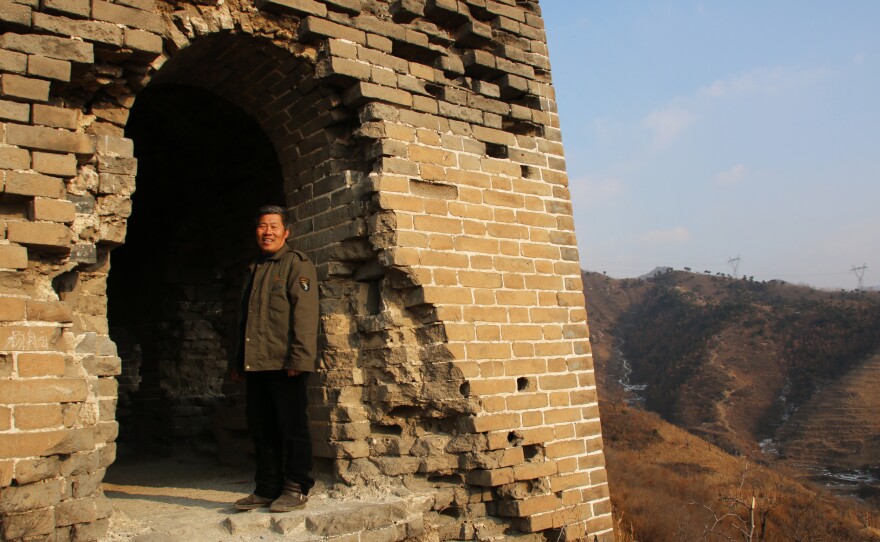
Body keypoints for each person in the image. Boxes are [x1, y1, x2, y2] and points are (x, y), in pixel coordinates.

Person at [229, 205, 319, 513]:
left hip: (285, 364)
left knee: (291, 427)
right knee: (261, 427)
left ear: (286, 232)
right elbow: (244, 319)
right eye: (262, 226)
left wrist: (299, 359)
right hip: (256, 364)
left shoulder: (296, 265)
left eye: (274, 226)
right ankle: (267, 488)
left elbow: (305, 316)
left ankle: (296, 486)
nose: (267, 232)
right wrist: (237, 362)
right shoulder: (253, 268)